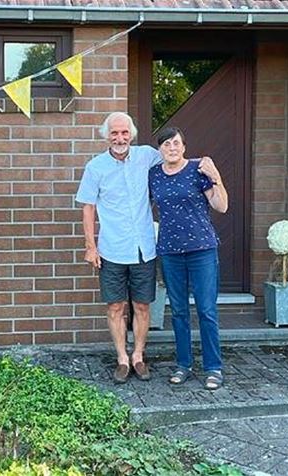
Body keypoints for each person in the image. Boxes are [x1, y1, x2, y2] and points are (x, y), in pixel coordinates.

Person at [75, 112, 161, 384]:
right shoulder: (96, 167)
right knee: (115, 306)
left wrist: (203, 164)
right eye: (114, 133)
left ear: (132, 134)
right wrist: (91, 246)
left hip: (143, 248)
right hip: (111, 248)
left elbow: (174, 160)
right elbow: (88, 208)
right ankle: (122, 359)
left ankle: (138, 355)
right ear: (106, 136)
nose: (120, 138)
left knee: (142, 305)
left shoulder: (148, 156)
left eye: (124, 133)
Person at [149, 126, 228, 390]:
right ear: (160, 149)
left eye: (176, 143)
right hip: (170, 251)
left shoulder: (198, 169)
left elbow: (221, 206)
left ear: (184, 147)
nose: (171, 148)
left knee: (206, 310)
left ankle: (213, 368)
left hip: (202, 250)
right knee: (179, 312)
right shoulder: (154, 175)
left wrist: (216, 177)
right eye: (166, 144)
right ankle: (183, 364)